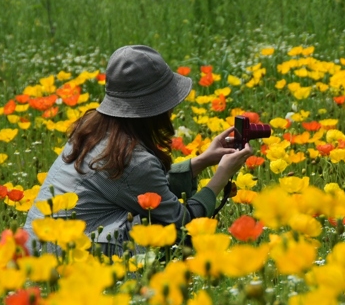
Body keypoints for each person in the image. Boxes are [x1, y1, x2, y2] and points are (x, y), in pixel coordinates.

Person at [22, 45, 253, 255]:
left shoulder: (93, 130)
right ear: (155, 108)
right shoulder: (133, 159)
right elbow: (182, 223)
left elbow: (143, 190)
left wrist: (201, 161)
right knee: (155, 230)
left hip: (39, 249)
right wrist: (221, 177)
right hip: (67, 260)